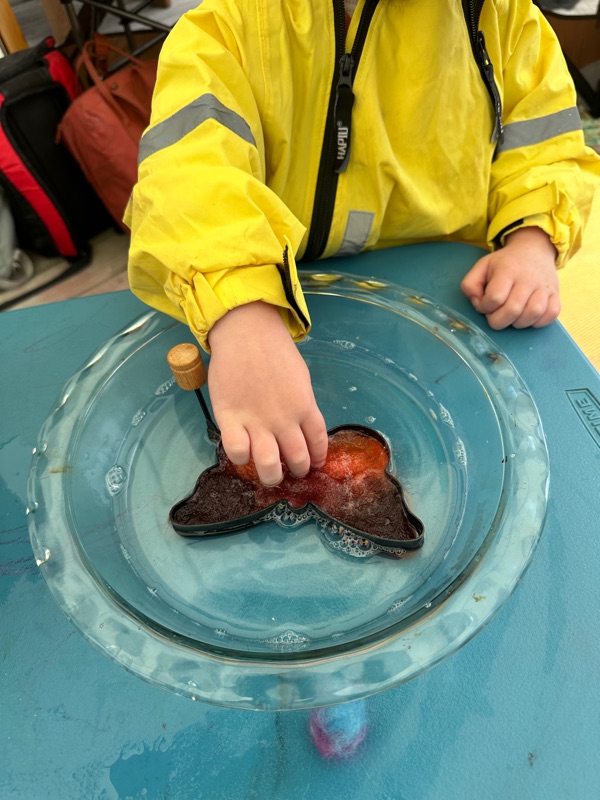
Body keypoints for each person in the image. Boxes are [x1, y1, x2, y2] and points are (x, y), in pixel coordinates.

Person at [126, 0, 600, 487]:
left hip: (446, 310)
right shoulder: (225, 28)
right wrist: (240, 313)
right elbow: (189, 175)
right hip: (280, 300)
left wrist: (532, 236)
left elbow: (547, 148)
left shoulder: (506, 17)